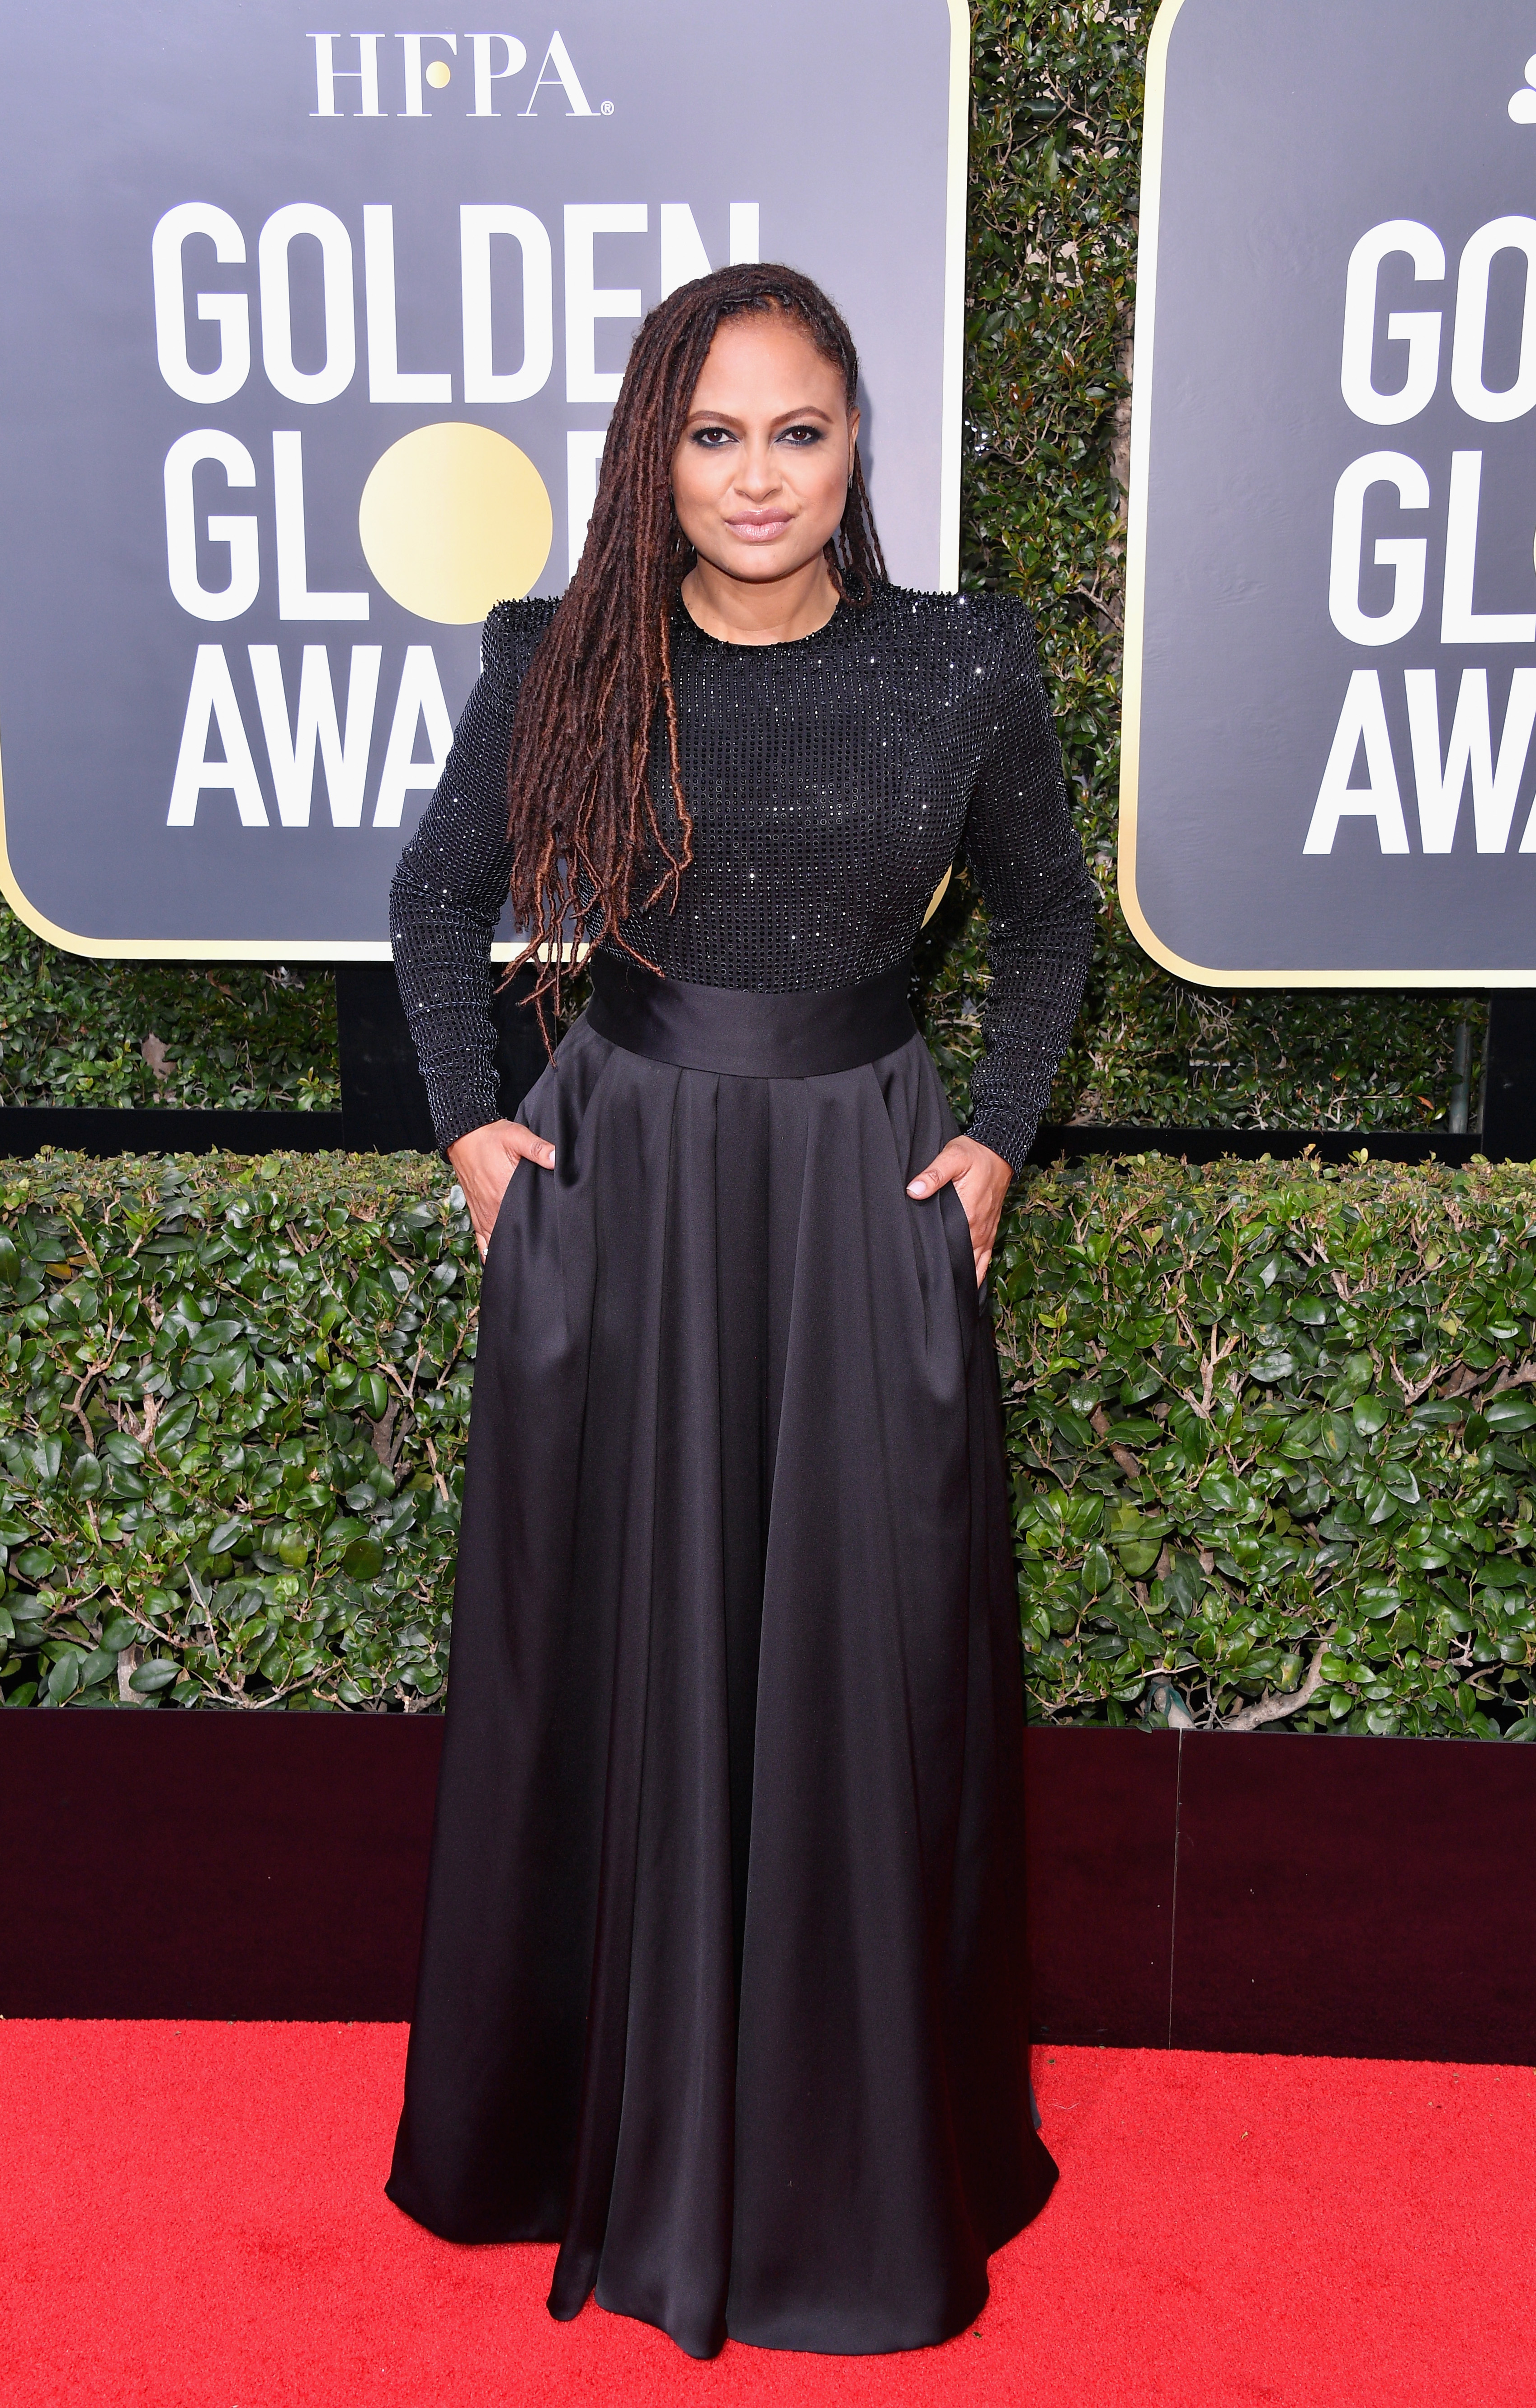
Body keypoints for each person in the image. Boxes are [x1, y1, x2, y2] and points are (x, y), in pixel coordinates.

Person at [385, 262, 1097, 2359]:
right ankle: (584, 2131)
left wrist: (996, 1147)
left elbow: (1052, 920)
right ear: (656, 455)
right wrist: (474, 1133)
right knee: (611, 1649)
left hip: (863, 1187)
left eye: (799, 431)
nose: (759, 476)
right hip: (628, 1187)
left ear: (857, 444)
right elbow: (437, 897)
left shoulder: (961, 663)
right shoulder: (562, 656)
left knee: (879, 1659)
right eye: (714, 436)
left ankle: (850, 2162)